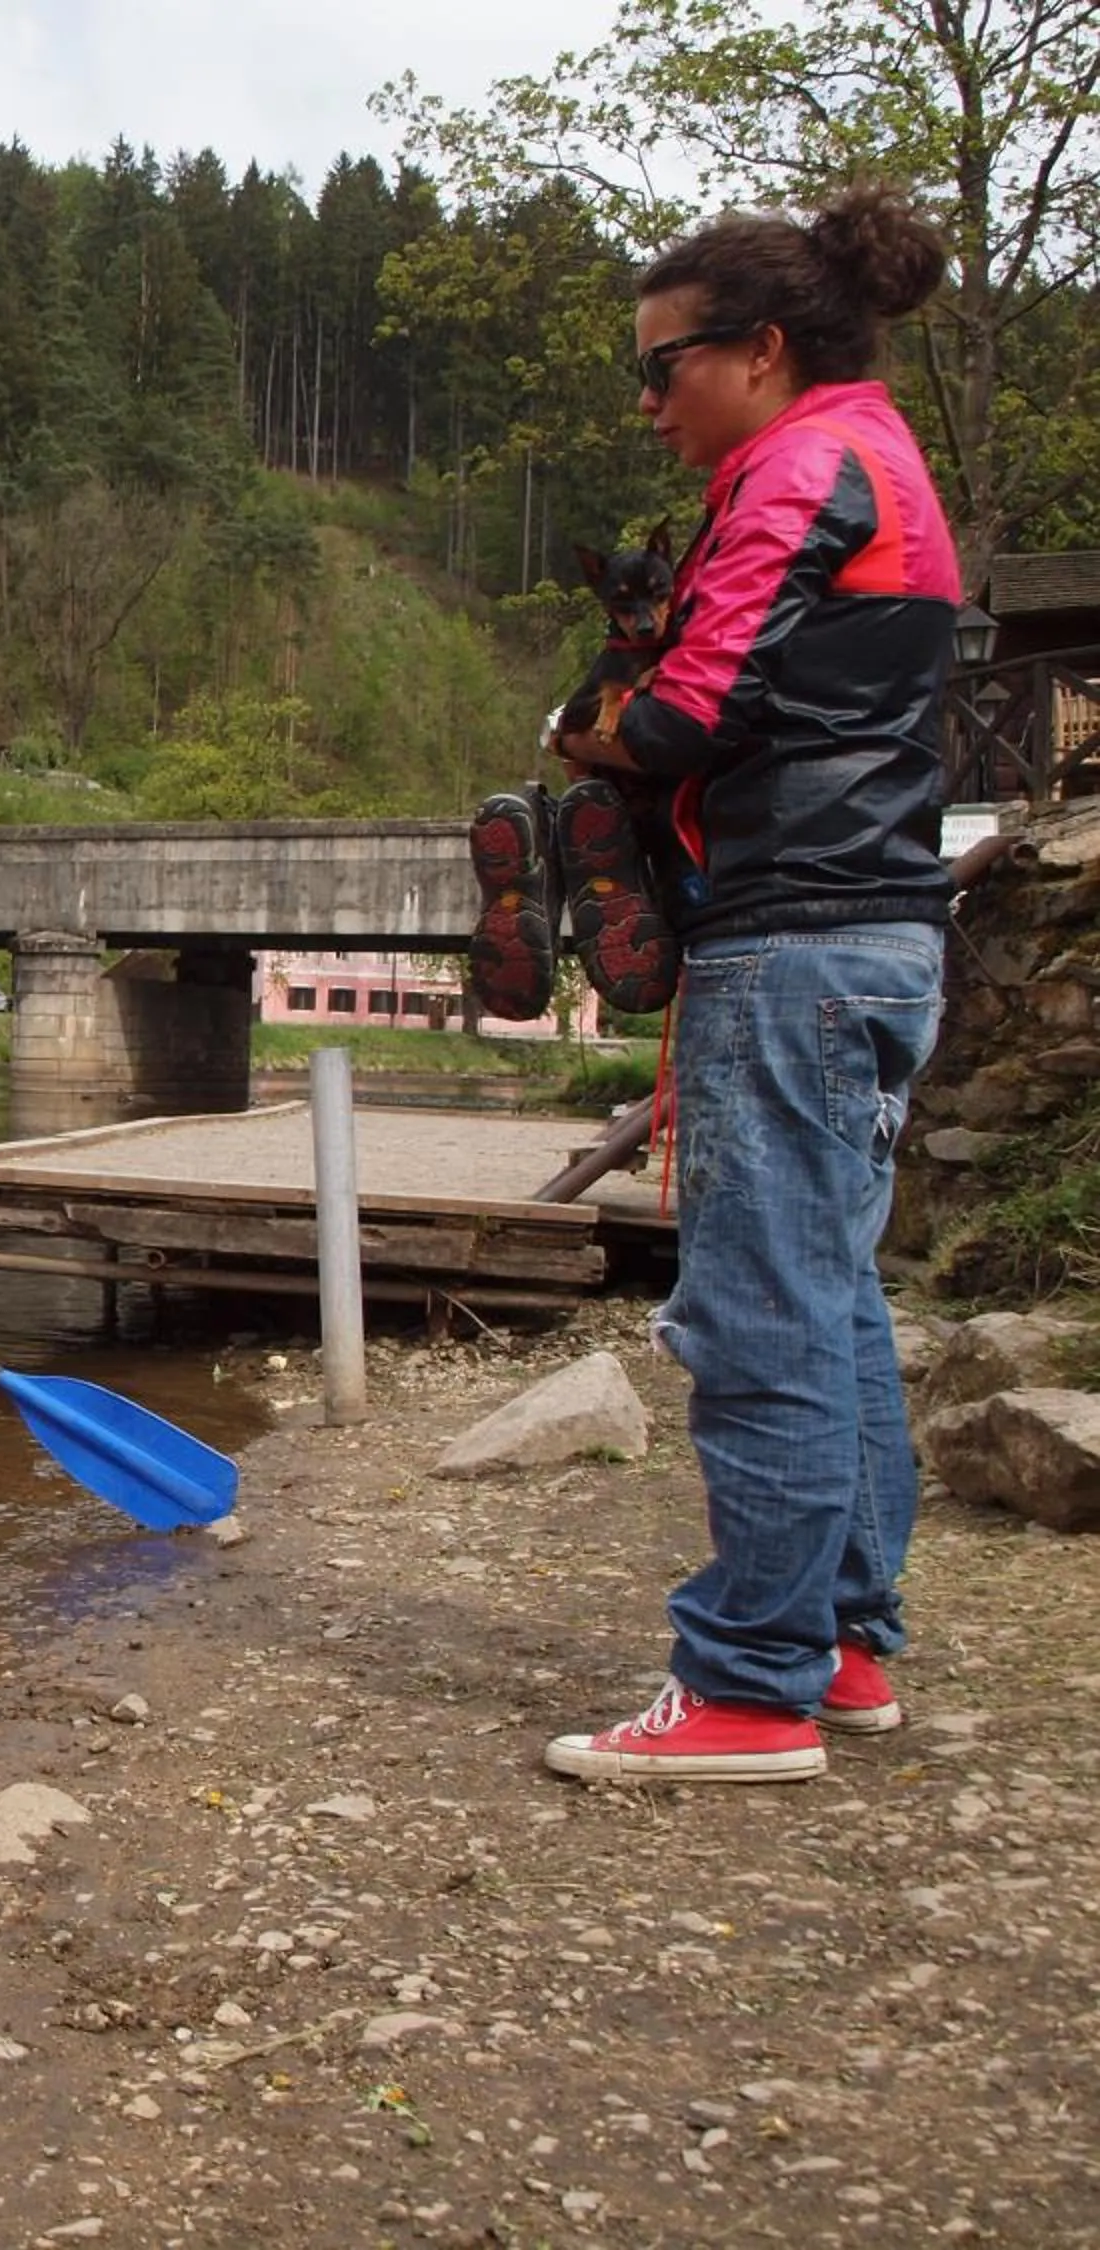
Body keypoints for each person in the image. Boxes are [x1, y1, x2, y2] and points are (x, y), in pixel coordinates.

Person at [538, 184, 960, 1785]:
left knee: (758, 1308)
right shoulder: (875, 452)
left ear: (763, 348)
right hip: (870, 931)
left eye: (665, 368)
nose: (649, 404)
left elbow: (686, 715)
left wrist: (583, 744)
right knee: (832, 1298)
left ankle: (749, 1686)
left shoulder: (799, 466)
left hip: (795, 939)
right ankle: (840, 1642)